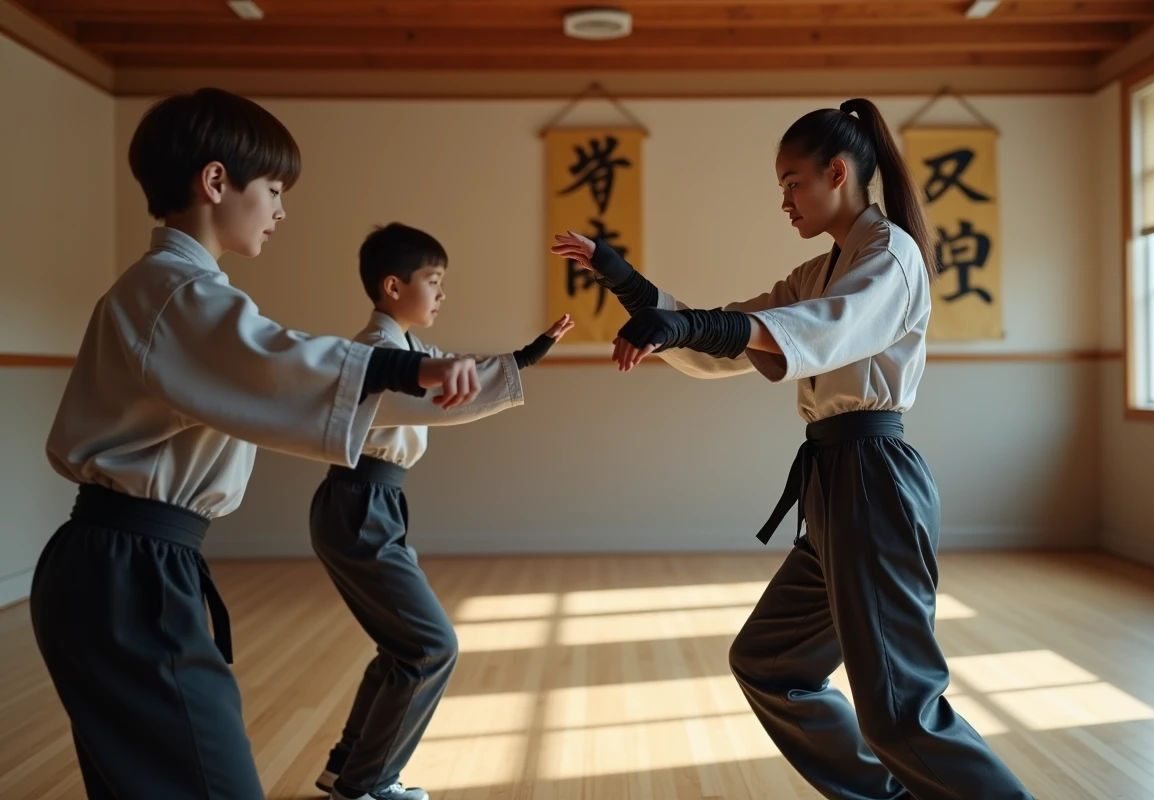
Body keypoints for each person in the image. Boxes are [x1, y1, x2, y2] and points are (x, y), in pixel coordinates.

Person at [551, 98, 1033, 799]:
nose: (783, 200)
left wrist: (698, 324)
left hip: (874, 480)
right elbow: (737, 337)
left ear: (837, 171)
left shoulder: (890, 256)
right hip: (833, 482)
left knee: (900, 713)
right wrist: (629, 284)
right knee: (772, 662)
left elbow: (813, 330)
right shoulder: (822, 268)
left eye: (791, 182)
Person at [30, 88, 477, 800]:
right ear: (215, 182)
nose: (280, 209)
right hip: (129, 573)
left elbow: (272, 369)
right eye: (272, 189)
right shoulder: (177, 293)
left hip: (123, 565)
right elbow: (282, 363)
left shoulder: (178, 289)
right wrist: (414, 366)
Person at [311, 223, 572, 800]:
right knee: (431, 646)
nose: (441, 293)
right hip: (359, 502)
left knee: (403, 644)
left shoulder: (403, 347)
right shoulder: (377, 351)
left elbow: (458, 369)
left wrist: (531, 352)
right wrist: (517, 363)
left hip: (371, 502)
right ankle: (367, 784)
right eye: (433, 280)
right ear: (393, 286)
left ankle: (347, 767)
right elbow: (440, 398)